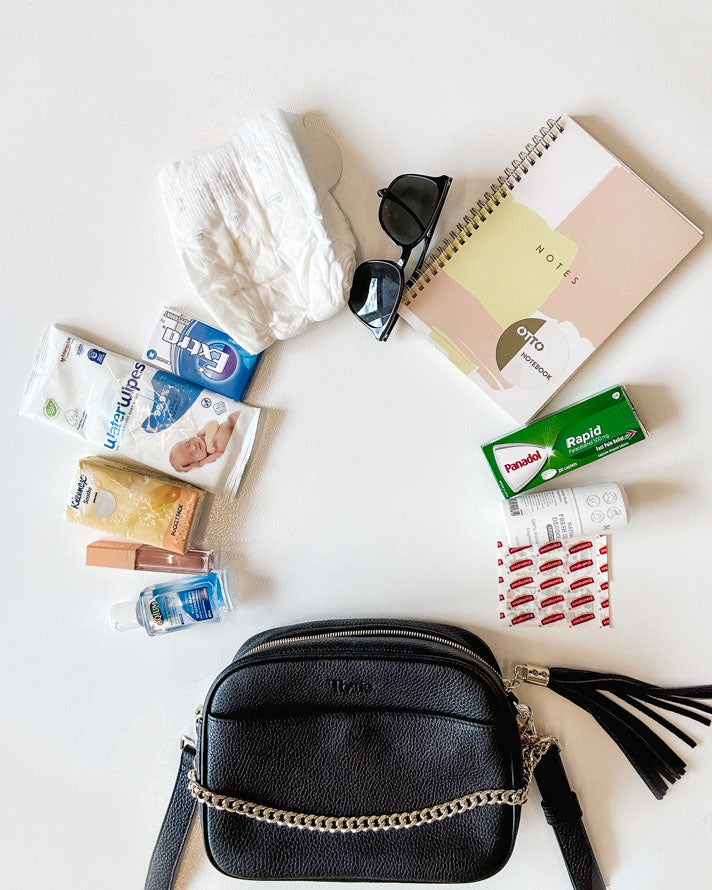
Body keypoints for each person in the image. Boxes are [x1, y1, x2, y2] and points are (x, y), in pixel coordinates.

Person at [169, 411, 240, 473]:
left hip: (232, 426)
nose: (193, 447)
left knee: (231, 418)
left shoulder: (200, 435)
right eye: (192, 455)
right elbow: (220, 455)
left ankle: (247, 420)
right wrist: (198, 464)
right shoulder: (207, 459)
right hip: (239, 441)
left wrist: (209, 439)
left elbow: (213, 423)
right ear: (195, 462)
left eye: (188, 444)